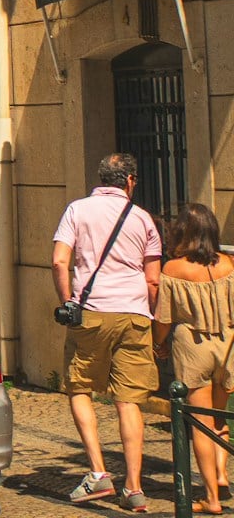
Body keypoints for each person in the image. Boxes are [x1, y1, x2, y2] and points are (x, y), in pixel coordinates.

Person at [51, 152, 163, 511]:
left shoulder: (77, 210)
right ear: (129, 181)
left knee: (79, 386)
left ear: (101, 179)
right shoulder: (143, 218)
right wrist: (148, 315)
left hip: (92, 314)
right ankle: (133, 488)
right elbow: (154, 279)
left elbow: (59, 260)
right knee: (129, 400)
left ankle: (98, 473)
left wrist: (68, 300)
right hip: (134, 314)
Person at [155, 203, 234, 512]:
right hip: (227, 346)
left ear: (182, 232)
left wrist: (157, 344)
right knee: (219, 417)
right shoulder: (229, 264)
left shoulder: (173, 269)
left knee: (199, 423)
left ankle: (211, 498)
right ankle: (222, 475)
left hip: (193, 346)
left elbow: (164, 317)